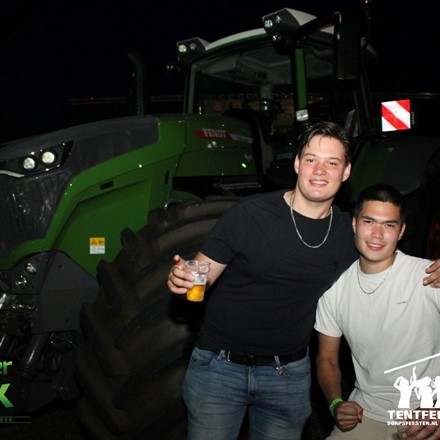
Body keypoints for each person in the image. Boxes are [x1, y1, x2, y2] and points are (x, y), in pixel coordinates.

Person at [167, 122, 440, 440]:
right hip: (219, 369)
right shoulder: (248, 214)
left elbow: (387, 253)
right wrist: (182, 278)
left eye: (332, 162)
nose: (320, 170)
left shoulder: (350, 232)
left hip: (288, 376)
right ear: (297, 163)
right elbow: (199, 275)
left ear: (346, 171)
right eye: (311, 159)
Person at [315, 184, 440, 439]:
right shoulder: (334, 290)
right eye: (369, 221)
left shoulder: (428, 277)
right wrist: (336, 402)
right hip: (367, 412)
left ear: (401, 231)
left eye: (389, 225)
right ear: (354, 224)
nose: (377, 234)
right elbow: (327, 359)